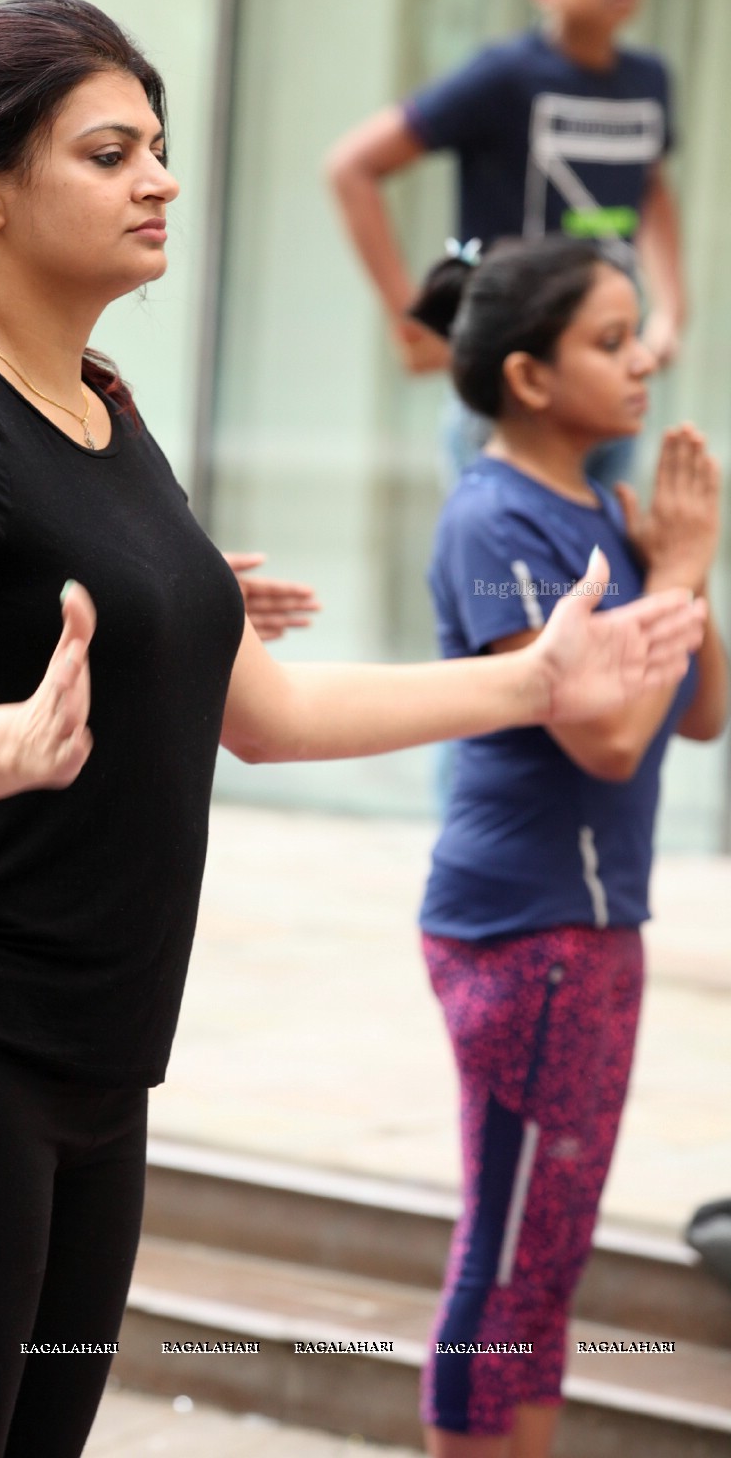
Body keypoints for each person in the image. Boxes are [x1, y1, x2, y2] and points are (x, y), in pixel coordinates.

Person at [0, 0, 704, 1458]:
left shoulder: (100, 406)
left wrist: (532, 684)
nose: (162, 179)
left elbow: (266, 716)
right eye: (110, 151)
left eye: (158, 146)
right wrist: (10, 741)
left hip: (100, 1061)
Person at [407, 234, 726, 1457]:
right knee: (508, 1260)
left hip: (588, 929)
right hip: (529, 933)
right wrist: (681, 569)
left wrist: (677, 571)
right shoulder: (493, 521)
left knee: (547, 1257)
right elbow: (604, 738)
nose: (644, 357)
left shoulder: (597, 508)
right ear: (532, 377)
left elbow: (697, 712)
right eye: (610, 339)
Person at [326, 0, 683, 488]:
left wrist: (669, 312)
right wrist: (411, 321)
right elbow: (352, 166)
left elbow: (648, 188)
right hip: (510, 389)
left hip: (610, 379)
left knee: (607, 574)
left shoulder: (649, 80)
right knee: (507, 575)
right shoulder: (503, 77)